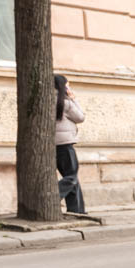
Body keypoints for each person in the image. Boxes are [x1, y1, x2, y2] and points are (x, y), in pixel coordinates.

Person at [54, 74, 86, 214]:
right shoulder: (65, 103)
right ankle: (53, 196)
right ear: (63, 86)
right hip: (65, 145)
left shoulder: (48, 101)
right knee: (71, 177)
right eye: (68, 85)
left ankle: (77, 210)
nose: (69, 87)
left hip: (53, 145)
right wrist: (74, 99)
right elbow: (81, 117)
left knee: (72, 178)